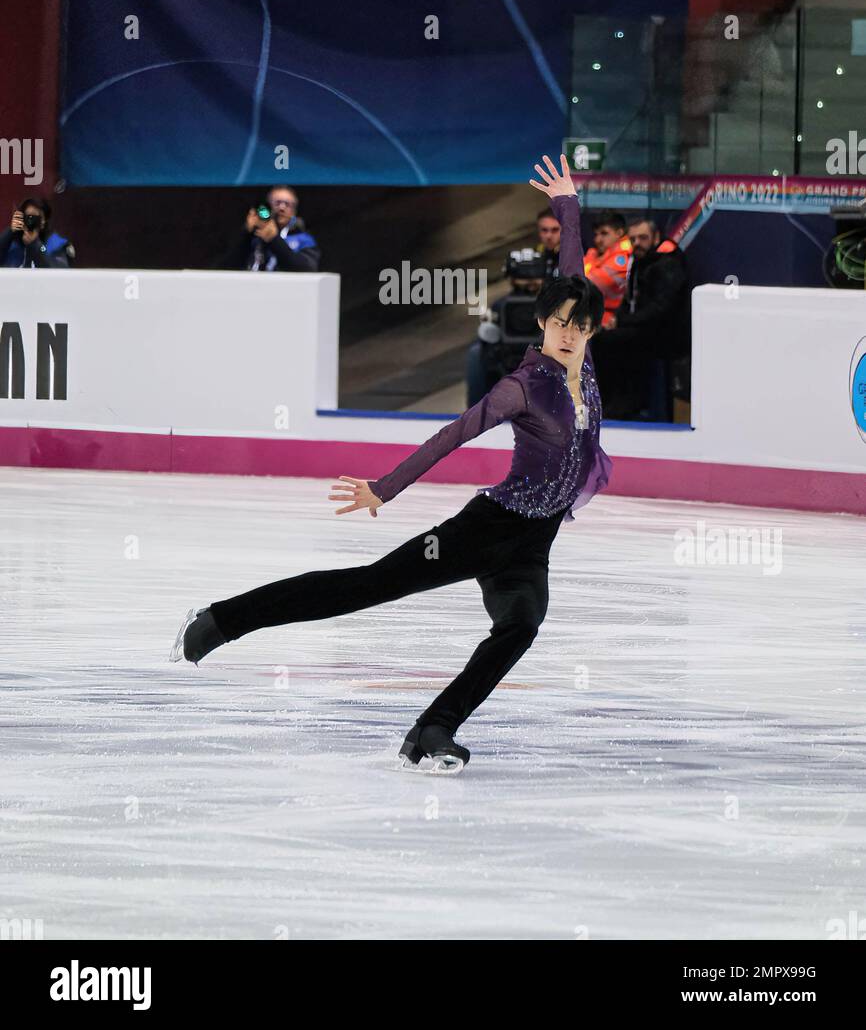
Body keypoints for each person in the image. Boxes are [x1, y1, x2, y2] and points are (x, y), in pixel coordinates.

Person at [171, 154, 612, 775]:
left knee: (520, 626)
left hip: (532, 544)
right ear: (542, 323)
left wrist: (568, 205)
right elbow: (453, 434)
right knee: (365, 587)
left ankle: (433, 731)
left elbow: (573, 273)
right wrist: (385, 488)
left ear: (591, 330)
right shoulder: (522, 386)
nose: (568, 333)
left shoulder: (583, 364)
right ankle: (221, 620)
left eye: (579, 326)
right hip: (485, 529)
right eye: (559, 323)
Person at [591, 215, 690, 420]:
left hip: (665, 334)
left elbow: (660, 309)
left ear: (655, 237)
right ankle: (608, 400)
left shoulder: (667, 263)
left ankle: (625, 402)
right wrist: (616, 319)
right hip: (642, 326)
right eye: (633, 239)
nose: (637, 244)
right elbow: (628, 301)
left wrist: (623, 321)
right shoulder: (638, 262)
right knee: (601, 338)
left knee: (610, 343)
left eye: (642, 238)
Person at [465, 248, 546, 404]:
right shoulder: (500, 306)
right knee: (476, 353)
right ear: (511, 279)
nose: (530, 281)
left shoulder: (554, 304)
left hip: (546, 353)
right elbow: (490, 335)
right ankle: (476, 411)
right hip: (508, 353)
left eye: (535, 275)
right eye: (523, 276)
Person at [217, 185, 320, 272]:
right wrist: (246, 234)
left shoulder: (304, 238)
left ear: (294, 211)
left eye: (287, 204)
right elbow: (226, 266)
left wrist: (274, 240)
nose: (282, 208)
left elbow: (307, 269)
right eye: (277, 203)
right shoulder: (255, 236)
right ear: (267, 207)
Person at [583, 210, 631, 329]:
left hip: (614, 323)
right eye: (596, 234)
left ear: (619, 233)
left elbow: (586, 283)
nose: (597, 240)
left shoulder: (624, 257)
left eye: (604, 233)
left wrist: (590, 258)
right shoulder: (601, 255)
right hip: (600, 319)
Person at [0, 197, 74, 269]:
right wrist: (9, 232)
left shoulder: (56, 244)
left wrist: (36, 245)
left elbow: (59, 273)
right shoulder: (12, 242)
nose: (31, 222)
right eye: (28, 217)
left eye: (35, 218)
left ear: (44, 221)